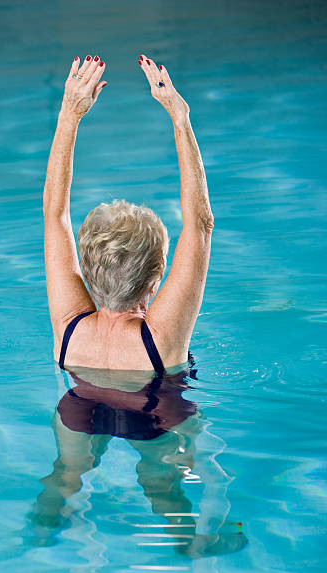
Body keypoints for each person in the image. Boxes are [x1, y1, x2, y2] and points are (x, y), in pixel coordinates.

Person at [43, 53, 214, 374]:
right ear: (155, 282)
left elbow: (55, 214)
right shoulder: (161, 338)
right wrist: (180, 117)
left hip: (75, 418)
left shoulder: (68, 330)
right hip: (156, 422)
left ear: (87, 273)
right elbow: (200, 226)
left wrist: (70, 113)